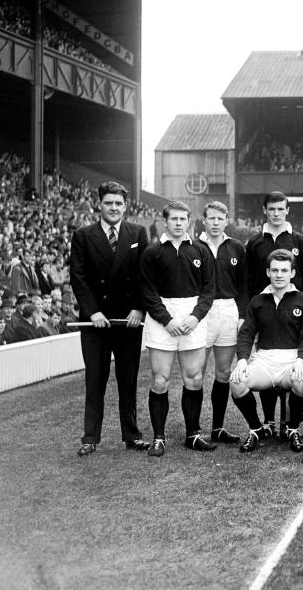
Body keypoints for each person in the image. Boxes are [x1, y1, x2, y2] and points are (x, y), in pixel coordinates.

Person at [68, 180, 150, 456]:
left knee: (128, 380)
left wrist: (139, 308)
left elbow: (144, 276)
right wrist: (93, 311)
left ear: (126, 206)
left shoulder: (138, 232)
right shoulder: (82, 235)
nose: (113, 208)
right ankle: (90, 437)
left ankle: (132, 435)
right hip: (96, 322)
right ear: (99, 205)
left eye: (118, 203)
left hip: (129, 320)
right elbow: (78, 278)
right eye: (108, 203)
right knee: (95, 380)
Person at [140, 200, 216, 457]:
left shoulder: (201, 251)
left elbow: (209, 290)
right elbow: (147, 292)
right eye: (174, 219)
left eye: (183, 220)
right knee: (160, 380)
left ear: (190, 222)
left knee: (194, 378)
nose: (179, 224)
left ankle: (192, 435)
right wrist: (166, 320)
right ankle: (158, 438)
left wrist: (195, 317)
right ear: (164, 221)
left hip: (192, 318)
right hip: (163, 320)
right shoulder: (152, 252)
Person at [229, 249, 303, 453]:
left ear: (293, 273)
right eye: (275, 270)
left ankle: (293, 428)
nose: (279, 275)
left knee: (301, 381)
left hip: (292, 359)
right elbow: (246, 334)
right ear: (267, 272)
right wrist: (242, 360)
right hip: (264, 361)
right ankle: (256, 428)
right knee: (237, 383)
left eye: (284, 270)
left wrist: (301, 360)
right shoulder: (257, 301)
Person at [244, 191, 303, 439]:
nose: (275, 213)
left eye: (280, 209)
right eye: (271, 209)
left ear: (287, 210)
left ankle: (289, 422)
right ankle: (269, 420)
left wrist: (302, 305)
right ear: (264, 210)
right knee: (266, 354)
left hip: (293, 309)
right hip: (264, 308)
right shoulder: (255, 242)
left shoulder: (299, 240)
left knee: (291, 360)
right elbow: (249, 278)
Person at [196, 201, 248, 445]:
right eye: (211, 218)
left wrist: (242, 316)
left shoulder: (236, 247)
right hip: (202, 312)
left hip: (228, 310)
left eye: (220, 219)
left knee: (224, 372)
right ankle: (194, 431)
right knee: (196, 373)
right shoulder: (194, 246)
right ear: (203, 220)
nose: (215, 223)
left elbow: (243, 285)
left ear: (227, 221)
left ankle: (218, 428)